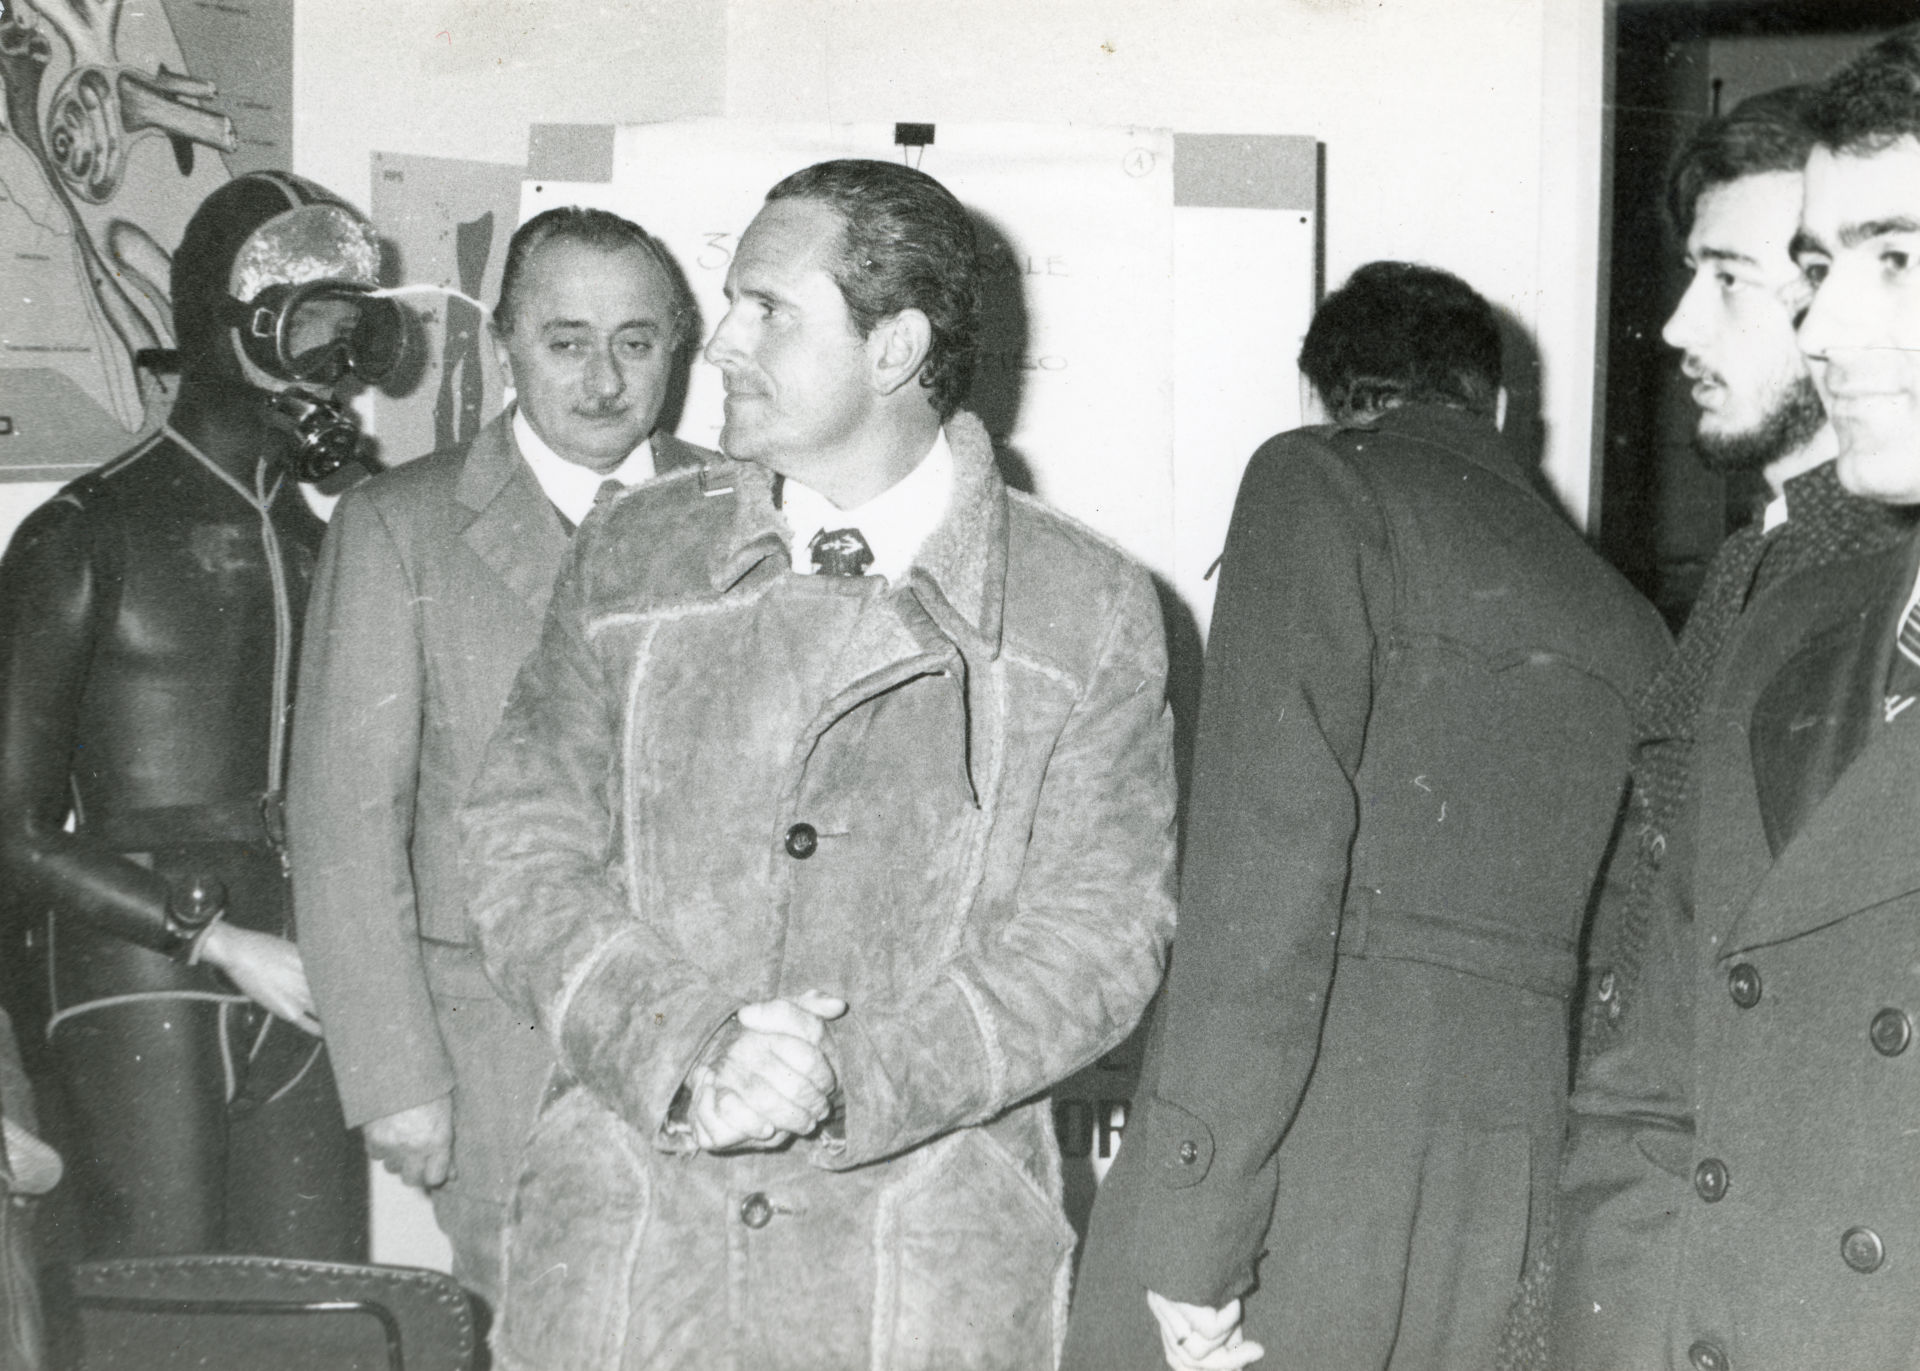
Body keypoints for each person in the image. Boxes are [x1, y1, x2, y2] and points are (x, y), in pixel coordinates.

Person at [461, 157, 1177, 1371]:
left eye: (768, 310)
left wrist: (853, 1077)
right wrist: (692, 1047)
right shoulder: (634, 551)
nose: (722, 343)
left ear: (894, 348)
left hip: (922, 1272)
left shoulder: (1086, 605)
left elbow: (1102, 936)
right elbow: (518, 847)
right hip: (634, 1253)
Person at [1064, 262, 1668, 1371]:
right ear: (1494, 404)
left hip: (1302, 1165)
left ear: (1325, 396)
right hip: (1507, 1199)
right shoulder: (1632, 620)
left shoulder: (1318, 484)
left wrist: (1194, 1225)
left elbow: (1262, 876)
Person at [1551, 29, 1920, 1369]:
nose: (1826, 326)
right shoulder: (1798, 630)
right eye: (1817, 270)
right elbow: (1658, 1100)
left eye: (1896, 259)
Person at [289, 206, 711, 1303]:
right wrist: (394, 1076)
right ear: (504, 343)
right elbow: (343, 825)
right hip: (501, 1049)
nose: (605, 379)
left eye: (636, 341)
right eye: (567, 342)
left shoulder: (746, 509)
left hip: (710, 1037)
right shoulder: (399, 528)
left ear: (678, 344)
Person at [0, 171, 390, 1260]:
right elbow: (13, 830)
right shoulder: (84, 533)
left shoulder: (332, 546)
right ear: (232, 329)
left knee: (313, 1310)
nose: (332, 365)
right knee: (157, 1309)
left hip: (301, 965)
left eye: (348, 331)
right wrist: (212, 939)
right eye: (307, 328)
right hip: (140, 972)